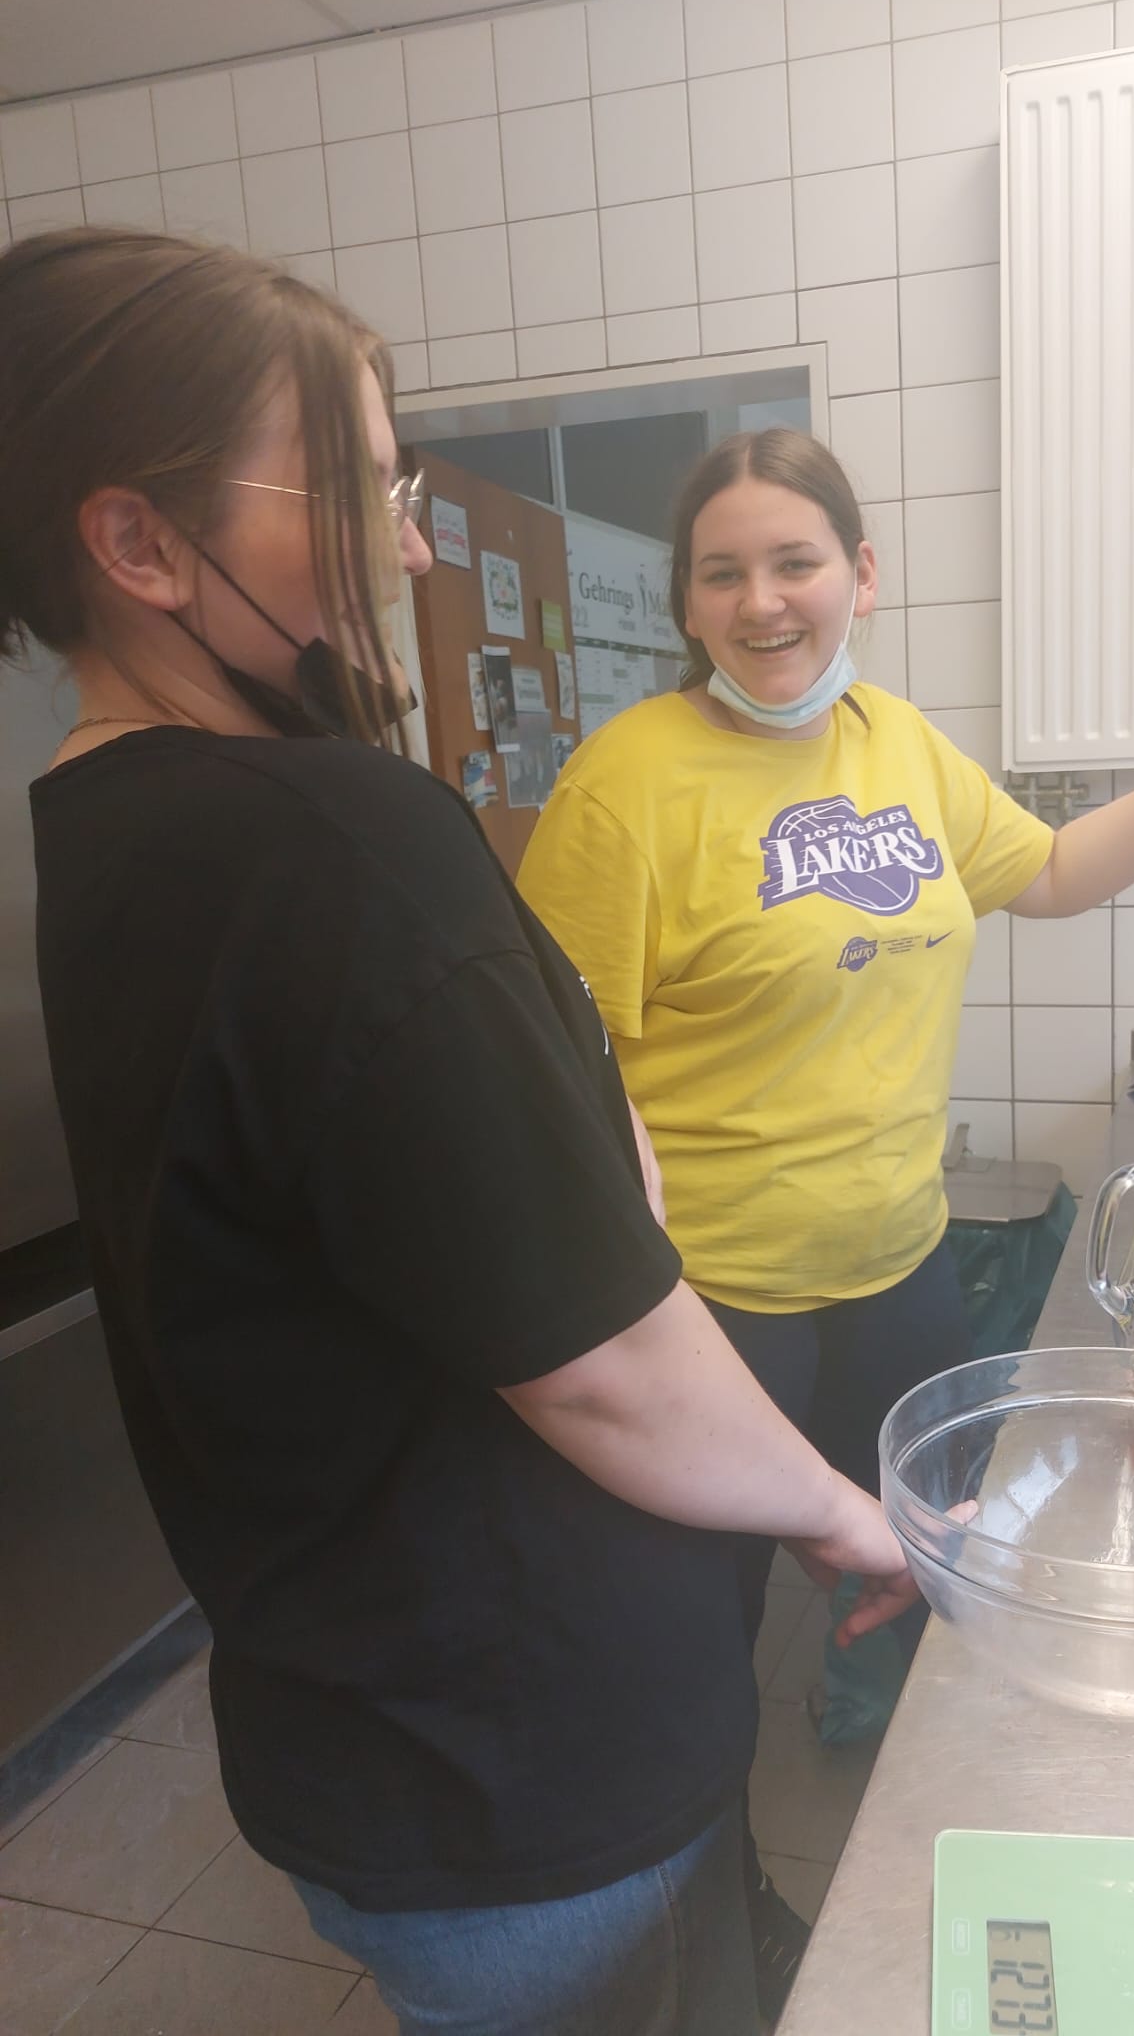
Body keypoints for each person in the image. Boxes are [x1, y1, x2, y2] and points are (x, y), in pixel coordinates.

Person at [3, 231, 924, 2036]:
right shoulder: (332, 838)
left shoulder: (99, 823)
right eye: (360, 491)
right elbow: (600, 1353)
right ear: (140, 547)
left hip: (364, 1742)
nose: (412, 547)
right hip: (533, 1782)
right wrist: (839, 1513)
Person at [517, 426, 1134, 1990]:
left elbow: (1047, 871)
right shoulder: (626, 784)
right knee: (690, 1658)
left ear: (861, 572)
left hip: (895, 1270)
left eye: (796, 561)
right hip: (714, 1301)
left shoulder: (902, 747)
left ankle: (949, 1879)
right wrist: (630, 1281)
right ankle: (714, 1938)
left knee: (946, 1581)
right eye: (722, 573)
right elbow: (562, 1066)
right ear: (688, 602)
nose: (762, 600)